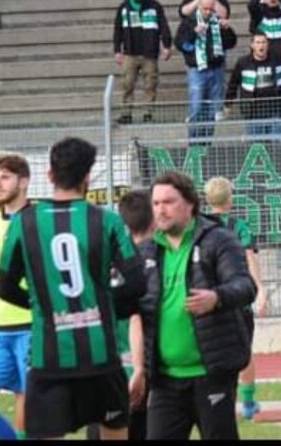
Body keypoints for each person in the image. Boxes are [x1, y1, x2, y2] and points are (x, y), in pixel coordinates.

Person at [0, 137, 146, 439]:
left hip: (49, 360)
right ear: (87, 177)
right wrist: (103, 308)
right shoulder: (108, 221)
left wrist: (43, 306)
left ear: (50, 174)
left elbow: (4, 287)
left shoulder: (23, 223)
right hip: (101, 359)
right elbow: (138, 283)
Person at [140, 170, 257, 439]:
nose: (161, 210)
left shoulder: (218, 240)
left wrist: (216, 297)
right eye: (156, 203)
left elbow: (245, 285)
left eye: (168, 202)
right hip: (165, 379)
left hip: (211, 373)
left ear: (190, 204)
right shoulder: (148, 250)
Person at [203, 177, 267, 421]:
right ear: (230, 199)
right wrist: (260, 289)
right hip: (237, 298)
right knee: (243, 350)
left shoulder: (199, 225)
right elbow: (250, 259)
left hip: (209, 297)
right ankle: (248, 403)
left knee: (210, 351)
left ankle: (215, 400)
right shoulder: (239, 226)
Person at [0, 154, 31, 437]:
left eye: (5, 178)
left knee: (28, 401)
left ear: (24, 182)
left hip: (30, 326)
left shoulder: (37, 222)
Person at [100, 189, 154, 441]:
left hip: (109, 363)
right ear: (154, 220)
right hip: (143, 360)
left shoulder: (110, 261)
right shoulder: (157, 258)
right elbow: (136, 317)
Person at [174, 0, 237, 141]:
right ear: (199, 7)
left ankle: (207, 143)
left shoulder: (218, 20)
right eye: (205, 9)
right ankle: (194, 142)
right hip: (197, 70)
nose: (208, 12)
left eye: (211, 9)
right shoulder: (189, 21)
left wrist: (227, 30)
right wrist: (194, 34)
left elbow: (231, 43)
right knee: (196, 107)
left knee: (212, 110)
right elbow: (180, 44)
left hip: (216, 69)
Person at [113, 0, 172, 124]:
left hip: (149, 53)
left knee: (150, 85)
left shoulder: (155, 5)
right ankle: (126, 114)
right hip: (130, 53)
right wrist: (117, 50)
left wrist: (166, 45)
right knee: (127, 84)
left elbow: (164, 26)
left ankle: (148, 114)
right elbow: (118, 30)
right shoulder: (124, 7)